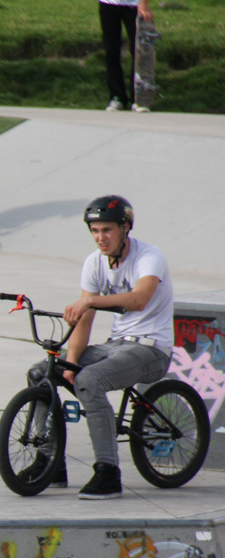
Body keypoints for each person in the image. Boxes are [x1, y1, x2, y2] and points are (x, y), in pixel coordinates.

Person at [27, 196, 173, 499]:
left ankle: (108, 473)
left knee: (90, 379)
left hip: (151, 349)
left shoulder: (149, 256)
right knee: (43, 371)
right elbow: (84, 319)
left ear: (125, 228)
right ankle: (50, 461)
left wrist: (90, 300)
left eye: (106, 230)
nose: (100, 238)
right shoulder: (94, 262)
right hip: (115, 346)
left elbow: (139, 299)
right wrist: (72, 362)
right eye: (94, 231)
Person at [97, 0, 154, 111]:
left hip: (134, 1)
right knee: (111, 50)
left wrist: (144, 1)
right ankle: (117, 97)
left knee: (138, 50)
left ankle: (138, 98)